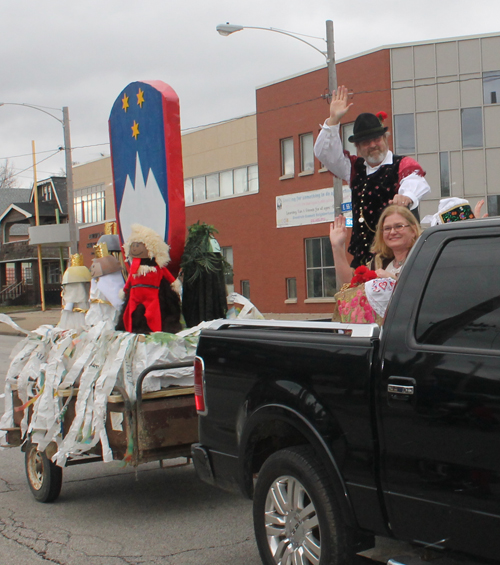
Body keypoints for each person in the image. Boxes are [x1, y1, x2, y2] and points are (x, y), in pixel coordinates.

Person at [314, 85, 431, 267]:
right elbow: (324, 153)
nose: (373, 145)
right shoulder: (353, 168)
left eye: (377, 139)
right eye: (366, 142)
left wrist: (406, 197)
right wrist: (333, 120)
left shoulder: (402, 164)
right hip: (363, 259)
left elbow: (415, 182)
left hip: (397, 257)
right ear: (359, 148)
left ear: (385, 139)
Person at [330, 204, 422, 286]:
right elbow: (350, 286)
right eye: (387, 228)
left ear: (413, 230)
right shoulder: (379, 263)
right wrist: (337, 247)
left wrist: (393, 281)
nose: (392, 232)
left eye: (399, 226)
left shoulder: (423, 259)